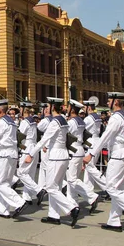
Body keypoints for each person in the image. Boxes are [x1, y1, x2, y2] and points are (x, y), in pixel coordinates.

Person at [83, 92, 124, 236]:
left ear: (115, 102)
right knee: (119, 189)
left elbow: (105, 137)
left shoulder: (115, 118)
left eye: (109, 101)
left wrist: (91, 154)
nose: (107, 103)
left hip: (118, 155)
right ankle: (114, 221)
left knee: (112, 189)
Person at [24, 97, 79, 226]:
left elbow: (44, 139)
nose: (45, 109)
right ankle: (53, 215)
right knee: (56, 187)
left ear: (52, 107)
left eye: (47, 106)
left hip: (56, 156)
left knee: (50, 187)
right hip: (63, 155)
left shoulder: (55, 122)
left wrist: (31, 154)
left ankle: (71, 208)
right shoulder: (63, 120)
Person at [65, 99, 100, 213]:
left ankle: (91, 196)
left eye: (69, 107)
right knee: (71, 180)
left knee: (72, 179)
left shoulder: (71, 122)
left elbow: (65, 135)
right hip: (78, 149)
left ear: (72, 109)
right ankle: (73, 205)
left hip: (73, 149)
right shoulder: (80, 121)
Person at [16, 102, 46, 206]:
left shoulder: (25, 122)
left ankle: (38, 191)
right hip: (33, 147)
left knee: (21, 173)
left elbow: (19, 135)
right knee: (30, 174)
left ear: (23, 110)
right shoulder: (32, 121)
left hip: (27, 148)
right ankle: (27, 197)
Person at [82, 100, 107, 194]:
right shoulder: (97, 117)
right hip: (96, 141)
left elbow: (82, 129)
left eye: (85, 108)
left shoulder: (88, 119)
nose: (84, 110)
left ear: (88, 108)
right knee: (89, 170)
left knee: (90, 167)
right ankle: (88, 190)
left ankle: (106, 185)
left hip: (91, 142)